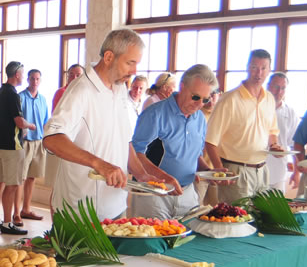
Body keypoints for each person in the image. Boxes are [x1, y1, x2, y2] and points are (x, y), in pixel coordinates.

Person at [43, 29, 159, 220]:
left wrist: (142, 174)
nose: (134, 71)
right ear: (108, 57)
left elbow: (124, 141)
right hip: (80, 212)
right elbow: (52, 139)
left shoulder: (121, 88)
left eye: (136, 64)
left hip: (116, 207)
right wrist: (99, 164)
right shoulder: (81, 90)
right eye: (130, 63)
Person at [131, 65, 217, 219]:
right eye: (195, 97)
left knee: (188, 242)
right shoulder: (155, 114)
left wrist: (211, 173)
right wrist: (166, 178)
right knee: (154, 241)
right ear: (182, 87)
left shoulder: (200, 119)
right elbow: (135, 154)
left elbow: (195, 155)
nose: (199, 104)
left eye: (205, 100)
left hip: (187, 193)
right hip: (154, 194)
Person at [205, 49, 281, 203]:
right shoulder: (229, 99)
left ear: (269, 71)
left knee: (260, 219)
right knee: (236, 221)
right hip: (235, 170)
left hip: (262, 170)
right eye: (254, 67)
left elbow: (272, 131)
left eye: (263, 68)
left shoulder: (269, 99)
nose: (258, 73)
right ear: (247, 67)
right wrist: (221, 171)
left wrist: (274, 145)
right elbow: (210, 141)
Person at [0, 61, 36, 235]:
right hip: (11, 146)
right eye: (23, 74)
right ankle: (8, 223)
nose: (23, 77)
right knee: (13, 185)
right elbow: (19, 121)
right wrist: (31, 126)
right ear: (16, 74)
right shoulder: (12, 94)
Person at [15, 69, 50, 224]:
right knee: (20, 178)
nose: (35, 82)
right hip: (25, 143)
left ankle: (26, 209)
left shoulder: (42, 99)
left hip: (39, 142)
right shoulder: (20, 97)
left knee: (31, 177)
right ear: (28, 80)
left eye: (37, 79)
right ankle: (16, 213)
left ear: (40, 81)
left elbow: (45, 121)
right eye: (32, 79)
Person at [266, 72, 300, 192]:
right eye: (276, 86)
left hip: (278, 172)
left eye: (283, 88)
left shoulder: (290, 113)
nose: (279, 91)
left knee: (276, 209)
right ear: (268, 86)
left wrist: (296, 171)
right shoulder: (257, 107)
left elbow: (295, 145)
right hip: (255, 170)